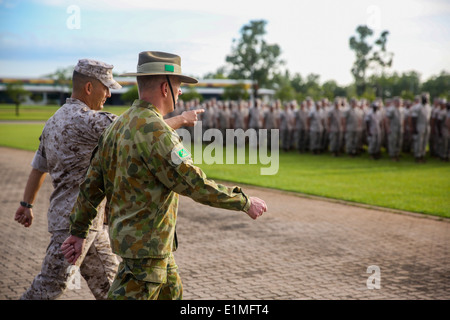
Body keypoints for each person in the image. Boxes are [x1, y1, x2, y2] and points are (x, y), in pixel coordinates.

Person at [61, 51, 267, 300]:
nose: (180, 91)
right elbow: (194, 183)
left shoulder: (117, 126)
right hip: (146, 255)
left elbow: (91, 186)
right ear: (164, 87)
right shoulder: (158, 132)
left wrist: (78, 230)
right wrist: (244, 201)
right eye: (178, 85)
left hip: (154, 249)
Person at [13, 59, 122, 300]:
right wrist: (180, 119)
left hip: (84, 221)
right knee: (47, 289)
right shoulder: (87, 119)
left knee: (112, 287)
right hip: (74, 225)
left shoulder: (54, 120)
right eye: (106, 87)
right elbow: (136, 129)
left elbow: (38, 167)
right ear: (90, 87)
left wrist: (26, 204)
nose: (109, 93)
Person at [411, 93, 432, 163]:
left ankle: (422, 155)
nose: (426, 99)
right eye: (424, 98)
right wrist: (414, 128)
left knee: (425, 142)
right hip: (419, 125)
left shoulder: (428, 107)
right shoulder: (417, 107)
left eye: (427, 98)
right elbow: (414, 118)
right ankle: (418, 156)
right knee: (419, 142)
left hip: (427, 126)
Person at [385, 97, 404, 161]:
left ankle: (397, 154)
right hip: (393, 127)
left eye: (400, 102)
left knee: (399, 142)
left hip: (400, 128)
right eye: (398, 102)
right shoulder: (391, 109)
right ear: (395, 102)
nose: (399, 103)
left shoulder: (401, 109)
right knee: (393, 142)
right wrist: (388, 128)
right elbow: (387, 119)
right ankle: (392, 155)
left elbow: (402, 120)